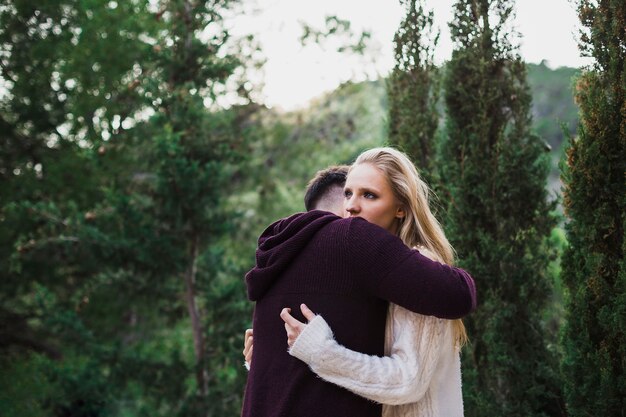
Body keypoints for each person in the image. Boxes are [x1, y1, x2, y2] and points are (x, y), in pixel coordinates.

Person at [241, 156, 476, 417]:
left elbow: (407, 380)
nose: (351, 207)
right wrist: (269, 360)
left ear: (401, 208)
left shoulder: (421, 266)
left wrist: (320, 351)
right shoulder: (368, 275)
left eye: (369, 196)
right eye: (348, 193)